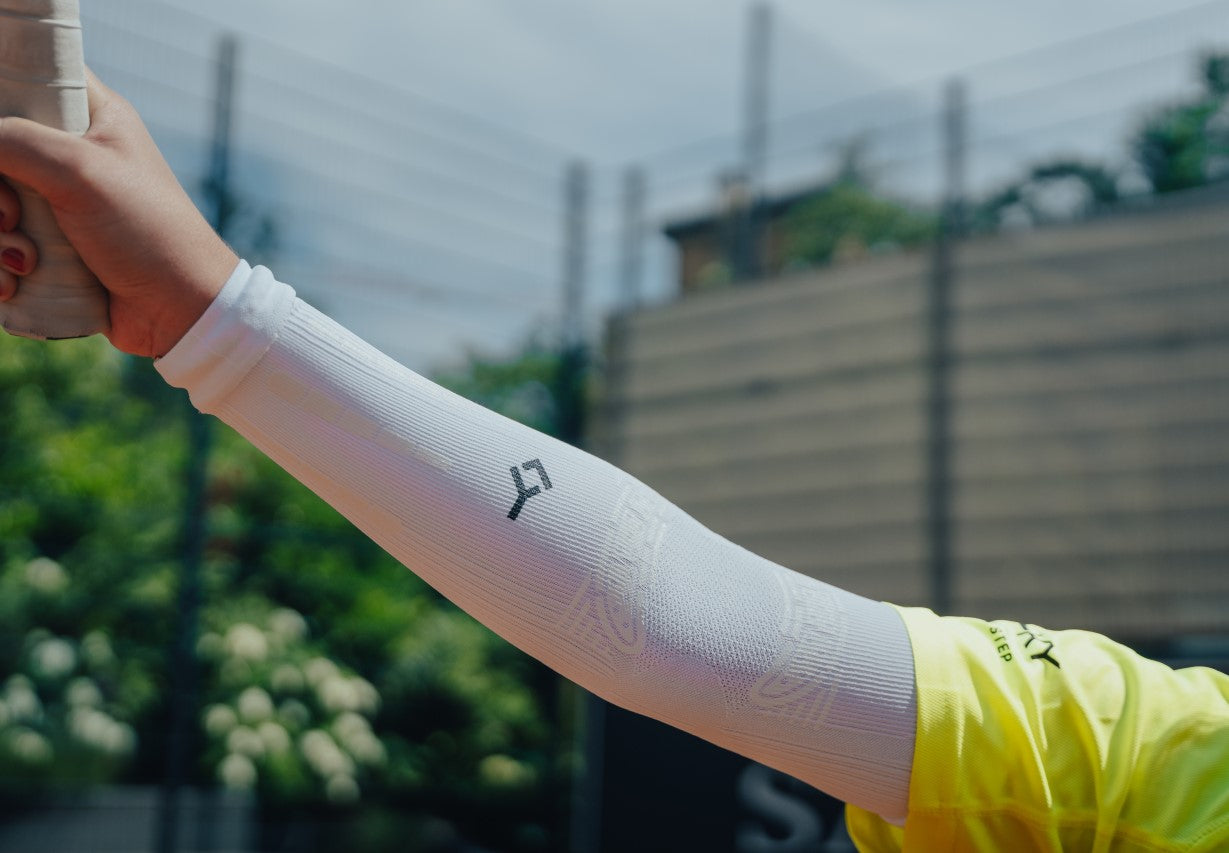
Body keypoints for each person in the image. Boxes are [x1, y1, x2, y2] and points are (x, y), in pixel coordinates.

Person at [1, 72, 1226, 852]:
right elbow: (663, 617)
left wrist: (216, 322)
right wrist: (204, 313)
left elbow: (662, 621)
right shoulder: (1170, 750)